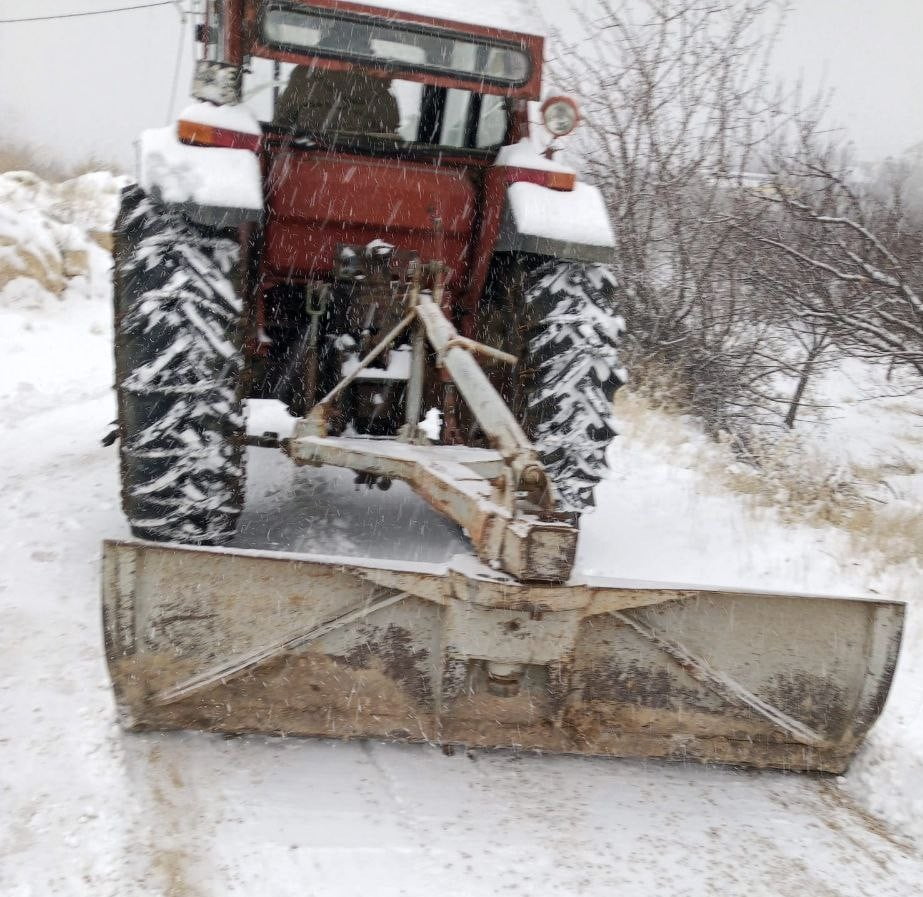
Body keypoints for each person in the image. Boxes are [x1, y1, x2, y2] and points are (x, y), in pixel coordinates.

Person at [273, 21, 399, 136]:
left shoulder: (306, 77)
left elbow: (282, 122)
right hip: (361, 157)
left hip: (304, 151)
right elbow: (389, 137)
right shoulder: (380, 90)